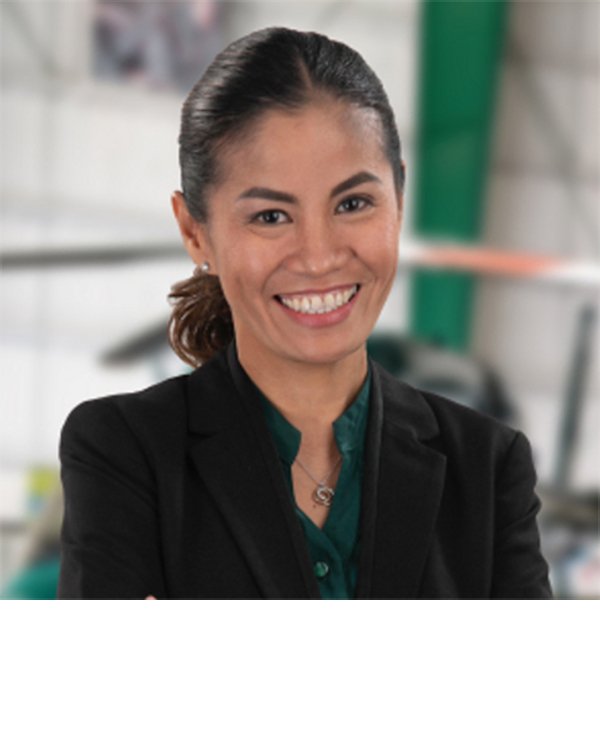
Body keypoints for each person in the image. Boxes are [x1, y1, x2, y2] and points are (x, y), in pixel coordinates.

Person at [58, 27, 552, 599]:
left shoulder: (488, 469)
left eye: (353, 203)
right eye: (270, 216)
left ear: (399, 201)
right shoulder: (124, 453)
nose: (319, 258)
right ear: (195, 232)